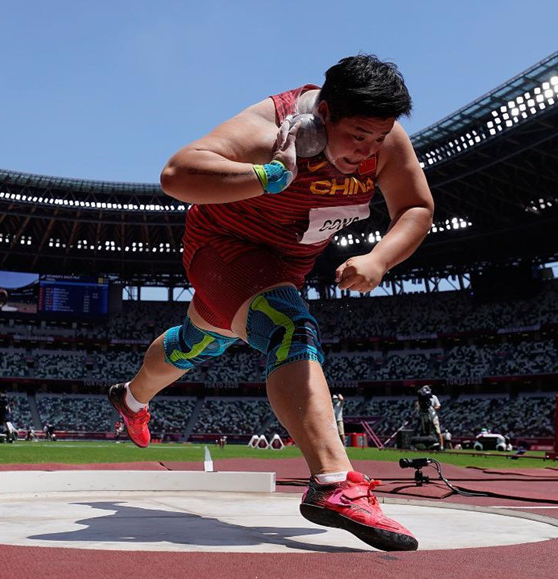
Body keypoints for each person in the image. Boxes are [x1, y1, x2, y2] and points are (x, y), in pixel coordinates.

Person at [108, 55, 433, 552]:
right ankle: (334, 484)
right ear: (324, 114)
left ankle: (132, 398)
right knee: (290, 327)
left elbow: (415, 207)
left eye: (378, 137)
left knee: (199, 342)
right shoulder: (270, 129)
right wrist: (268, 175)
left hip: (284, 267)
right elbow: (177, 174)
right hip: (223, 249)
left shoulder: (385, 143)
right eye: (357, 136)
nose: (367, 151)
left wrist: (380, 258)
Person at [415, 385, 443, 450]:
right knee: (425, 431)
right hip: (424, 415)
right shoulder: (422, 398)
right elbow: (418, 405)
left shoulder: (434, 397)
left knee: (437, 430)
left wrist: (432, 408)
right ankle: (426, 444)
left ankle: (441, 446)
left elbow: (438, 406)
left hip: (433, 415)